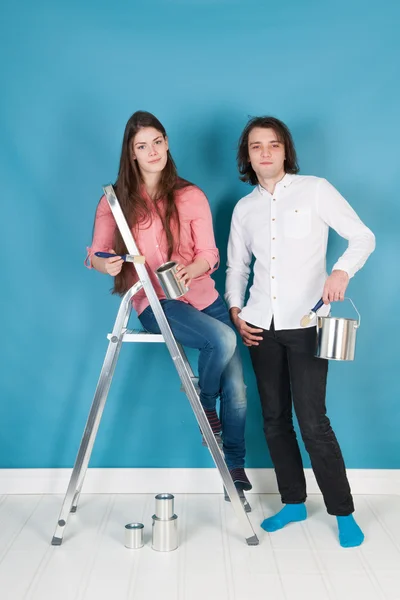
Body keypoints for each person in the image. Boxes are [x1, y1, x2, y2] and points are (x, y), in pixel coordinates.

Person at [225, 116, 375, 547]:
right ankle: (293, 502)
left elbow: (362, 237)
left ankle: (343, 512)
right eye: (256, 146)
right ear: (248, 155)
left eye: (273, 144)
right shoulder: (244, 209)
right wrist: (236, 309)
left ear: (285, 150)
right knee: (274, 420)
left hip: (308, 322)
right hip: (259, 325)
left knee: (313, 422)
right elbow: (238, 267)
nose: (266, 152)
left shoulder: (315, 190)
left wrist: (341, 271)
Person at [85, 111, 252, 493]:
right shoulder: (115, 202)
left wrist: (190, 271)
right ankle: (206, 405)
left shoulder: (190, 195)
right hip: (154, 302)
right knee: (223, 341)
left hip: (201, 294)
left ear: (167, 143)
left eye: (157, 141)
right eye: (142, 146)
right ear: (132, 155)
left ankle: (236, 467)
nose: (152, 151)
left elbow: (210, 253)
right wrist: (105, 265)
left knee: (238, 388)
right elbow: (95, 253)